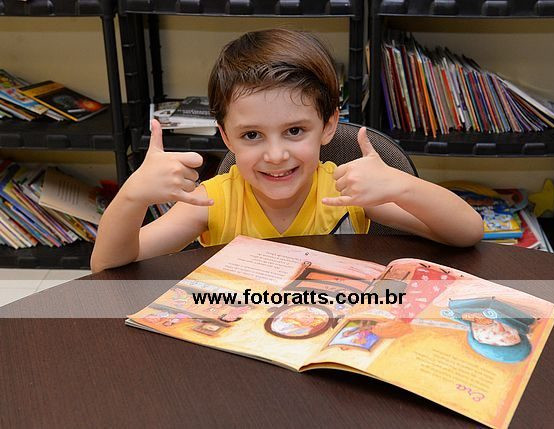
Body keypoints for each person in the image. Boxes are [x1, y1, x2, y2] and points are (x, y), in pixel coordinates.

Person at [90, 29, 483, 273]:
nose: (276, 155)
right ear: (226, 137)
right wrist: (133, 195)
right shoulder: (211, 202)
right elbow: (108, 263)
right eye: (252, 135)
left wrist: (402, 186)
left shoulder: (348, 194)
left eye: (294, 131)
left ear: (328, 126)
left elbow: (467, 232)